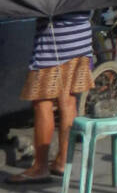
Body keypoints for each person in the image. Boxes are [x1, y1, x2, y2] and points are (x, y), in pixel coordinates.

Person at [7, 12, 94, 183]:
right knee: (68, 101)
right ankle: (62, 161)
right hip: (81, 38)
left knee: (42, 103)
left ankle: (40, 167)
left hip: (54, 41)